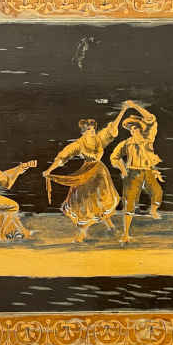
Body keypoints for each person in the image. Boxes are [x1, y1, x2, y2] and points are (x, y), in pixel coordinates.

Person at [43, 104, 128, 243]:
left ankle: (109, 226)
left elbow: (112, 128)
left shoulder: (99, 139)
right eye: (89, 129)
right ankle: (84, 233)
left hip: (100, 173)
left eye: (93, 129)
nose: (92, 131)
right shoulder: (79, 144)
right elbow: (63, 156)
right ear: (83, 131)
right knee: (84, 201)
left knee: (101, 200)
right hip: (86, 173)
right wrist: (49, 170)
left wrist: (123, 110)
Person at [110, 100, 163, 245]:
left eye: (135, 129)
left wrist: (134, 106)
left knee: (157, 192)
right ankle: (126, 234)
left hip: (147, 171)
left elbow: (151, 119)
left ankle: (153, 210)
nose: (133, 131)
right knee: (129, 202)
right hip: (132, 173)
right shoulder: (126, 143)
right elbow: (114, 157)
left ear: (141, 129)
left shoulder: (148, 139)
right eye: (131, 129)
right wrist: (122, 169)